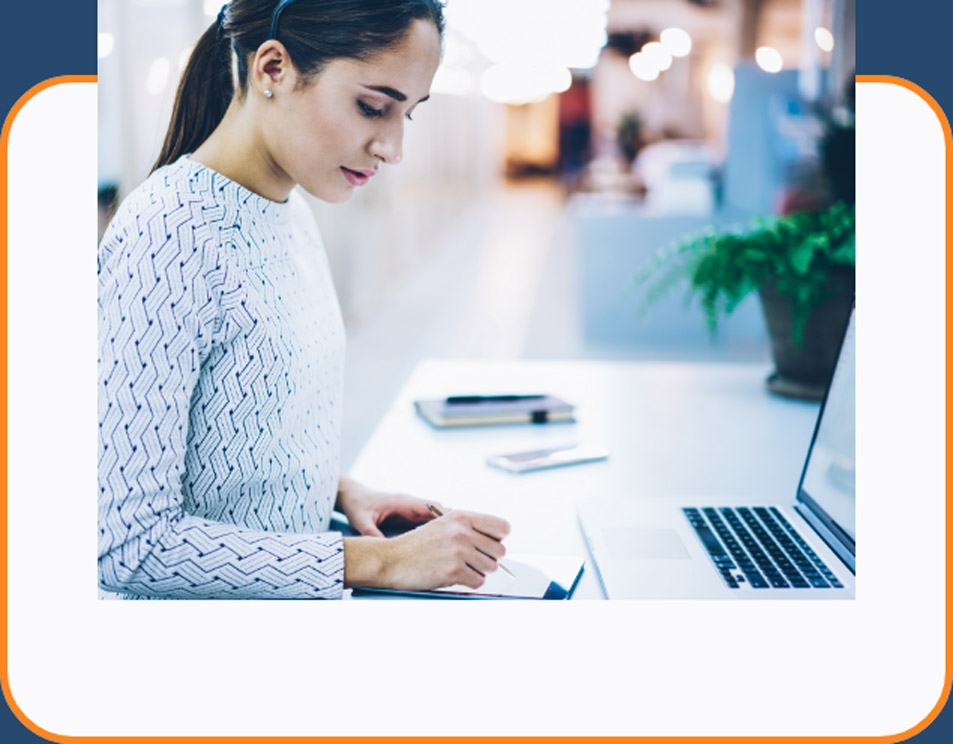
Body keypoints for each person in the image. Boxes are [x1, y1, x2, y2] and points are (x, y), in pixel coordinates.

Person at [98, 0, 510, 599]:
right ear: (272, 69)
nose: (392, 148)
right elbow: (127, 547)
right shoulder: (169, 234)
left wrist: (342, 494)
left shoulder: (290, 210)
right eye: (373, 107)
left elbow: (236, 433)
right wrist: (377, 561)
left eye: (408, 116)